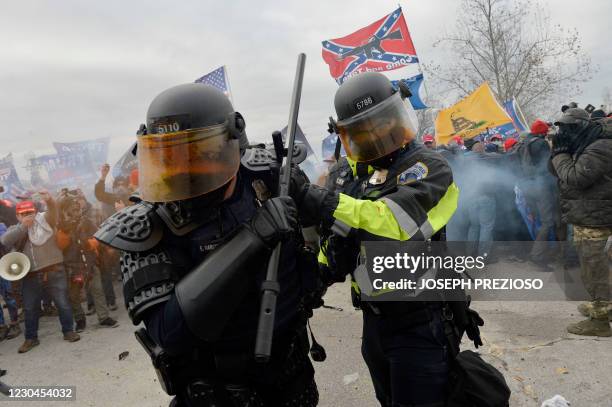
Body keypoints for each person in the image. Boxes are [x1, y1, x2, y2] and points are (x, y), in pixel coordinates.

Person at [95, 83, 322, 406]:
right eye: (171, 157)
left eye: (198, 155)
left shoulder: (267, 177)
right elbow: (170, 333)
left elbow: (328, 218)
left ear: (230, 145)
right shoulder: (145, 225)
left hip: (292, 377)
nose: (185, 169)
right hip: (216, 394)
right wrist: (253, 238)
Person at [288, 72, 481, 406]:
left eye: (383, 122)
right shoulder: (348, 175)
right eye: (364, 130)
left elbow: (393, 221)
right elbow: (335, 243)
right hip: (375, 322)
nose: (377, 134)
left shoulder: (429, 167)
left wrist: (322, 201)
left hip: (421, 322)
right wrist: (310, 276)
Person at [550, 108, 612, 337]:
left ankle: (601, 321)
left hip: (597, 218)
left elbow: (576, 177)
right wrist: (559, 151)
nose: (564, 132)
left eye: (568, 128)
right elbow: (555, 171)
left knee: (595, 269)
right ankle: (601, 307)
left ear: (583, 126)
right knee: (591, 267)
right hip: (587, 215)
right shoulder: (586, 142)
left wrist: (560, 154)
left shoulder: (601, 146)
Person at [0, 195, 80, 353]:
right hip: (30, 274)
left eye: (30, 212)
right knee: (30, 308)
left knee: (62, 302)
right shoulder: (15, 229)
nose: (28, 216)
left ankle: (68, 331)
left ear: (35, 211)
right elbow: (5, 240)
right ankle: (31, 338)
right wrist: (23, 226)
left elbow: (54, 211)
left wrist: (50, 200)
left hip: (54, 270)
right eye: (23, 214)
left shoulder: (46, 220)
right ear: (17, 216)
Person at [57, 190, 118, 332]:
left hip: (89, 263)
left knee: (97, 290)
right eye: (72, 208)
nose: (76, 210)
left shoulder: (86, 222)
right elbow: (60, 245)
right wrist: (65, 230)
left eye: (77, 207)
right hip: (72, 266)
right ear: (65, 210)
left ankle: (103, 318)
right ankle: (80, 320)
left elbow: (99, 236)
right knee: (74, 296)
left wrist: (93, 243)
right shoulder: (61, 227)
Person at [517, 119, 559, 264]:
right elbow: (548, 166)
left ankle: (545, 251)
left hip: (527, 186)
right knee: (547, 222)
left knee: (537, 219)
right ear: (542, 133)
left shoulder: (522, 144)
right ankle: (537, 255)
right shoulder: (540, 143)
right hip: (540, 185)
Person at [0, 222, 21, 341]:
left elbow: (5, 242)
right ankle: (1, 326)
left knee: (9, 296)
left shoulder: (1, 226)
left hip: (2, 265)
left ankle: (14, 323)